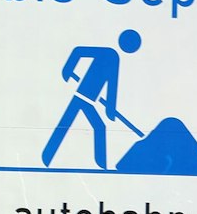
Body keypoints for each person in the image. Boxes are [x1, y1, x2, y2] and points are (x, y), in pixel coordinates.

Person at [40, 29, 142, 169]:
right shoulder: (109, 54)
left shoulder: (113, 57)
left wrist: (110, 109)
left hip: (88, 100)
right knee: (89, 125)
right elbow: (78, 51)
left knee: (75, 123)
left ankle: (48, 156)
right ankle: (48, 156)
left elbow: (112, 85)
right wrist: (68, 69)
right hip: (82, 96)